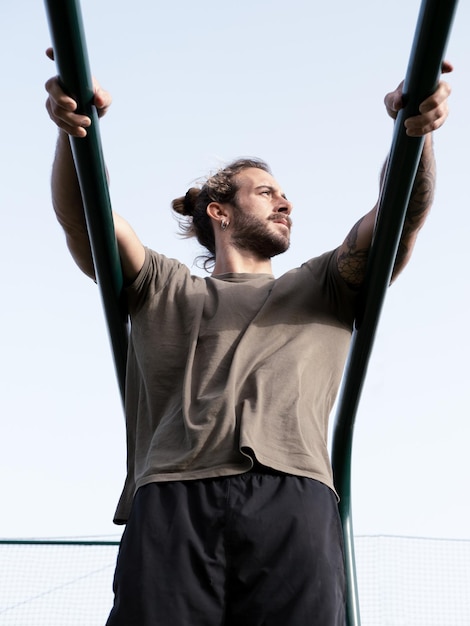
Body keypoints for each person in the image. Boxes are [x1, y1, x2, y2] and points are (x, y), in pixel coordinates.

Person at [45, 46, 452, 625]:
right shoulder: (164, 286)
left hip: (296, 496)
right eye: (265, 191)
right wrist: (74, 133)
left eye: (283, 193)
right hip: (173, 494)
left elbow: (399, 215)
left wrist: (415, 135)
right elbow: (87, 216)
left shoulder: (325, 285)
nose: (285, 200)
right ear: (220, 212)